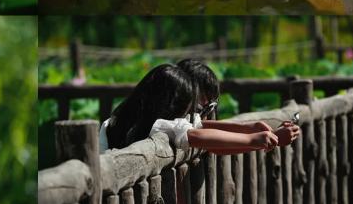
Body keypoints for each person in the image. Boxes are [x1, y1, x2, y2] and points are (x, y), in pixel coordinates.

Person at [99, 62, 300, 155]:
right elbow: (199, 136)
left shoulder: (120, 121)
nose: (192, 114)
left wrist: (252, 128)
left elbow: (202, 126)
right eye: (191, 107)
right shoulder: (160, 126)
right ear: (171, 104)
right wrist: (254, 139)